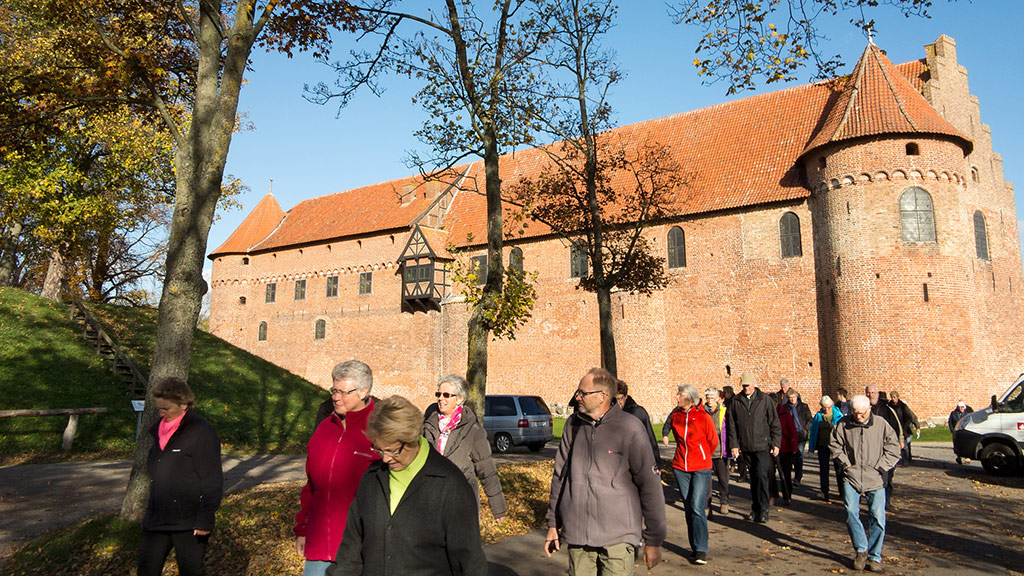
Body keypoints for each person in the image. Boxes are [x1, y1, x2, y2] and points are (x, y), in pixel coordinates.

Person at [329, 395, 487, 576]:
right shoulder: (372, 478)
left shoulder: (449, 484)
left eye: (393, 450)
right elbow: (351, 550)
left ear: (412, 438)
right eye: (379, 449)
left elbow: (470, 562)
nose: (385, 459)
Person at [545, 367, 666, 575]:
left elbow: (650, 485)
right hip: (579, 536)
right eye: (578, 392)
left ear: (603, 396)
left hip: (618, 536)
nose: (577, 397)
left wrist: (654, 539)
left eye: (583, 393)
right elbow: (560, 477)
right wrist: (553, 524)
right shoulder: (573, 426)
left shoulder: (630, 428)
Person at [294, 361, 378, 576]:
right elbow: (311, 486)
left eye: (343, 392)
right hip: (319, 546)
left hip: (362, 550)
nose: (336, 397)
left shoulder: (380, 430)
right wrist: (302, 529)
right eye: (334, 390)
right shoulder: (324, 429)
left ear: (363, 392)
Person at [139, 377, 223, 576]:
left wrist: (205, 518)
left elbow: (212, 479)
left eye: (166, 408)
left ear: (184, 404)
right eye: (159, 408)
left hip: (189, 522)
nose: (161, 413)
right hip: (157, 519)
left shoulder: (200, 432)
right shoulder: (157, 431)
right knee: (146, 570)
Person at [830, 394, 901, 572]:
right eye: (855, 413)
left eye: (862, 413)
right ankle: (861, 549)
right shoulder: (843, 424)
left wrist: (882, 467)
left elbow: (893, 448)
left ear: (869, 409)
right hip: (851, 475)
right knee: (850, 512)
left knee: (877, 517)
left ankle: (875, 556)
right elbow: (834, 444)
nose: (859, 416)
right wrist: (845, 464)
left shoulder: (881, 425)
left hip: (875, 477)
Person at [422, 374, 507, 522]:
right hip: (431, 501)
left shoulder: (473, 431)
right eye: (438, 394)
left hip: (461, 503)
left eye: (446, 395)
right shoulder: (428, 424)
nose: (440, 398)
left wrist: (498, 508)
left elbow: (487, 469)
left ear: (460, 399)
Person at [666, 385, 718, 565]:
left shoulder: (703, 416)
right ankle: (695, 547)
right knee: (689, 507)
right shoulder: (676, 416)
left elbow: (713, 440)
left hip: (700, 467)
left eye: (679, 394)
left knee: (697, 506)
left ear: (689, 397)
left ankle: (702, 548)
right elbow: (676, 437)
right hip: (681, 467)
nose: (677, 397)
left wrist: (702, 455)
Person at [726, 372, 781, 523]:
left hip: (762, 444)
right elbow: (732, 425)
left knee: (762, 476)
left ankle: (764, 509)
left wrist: (776, 443)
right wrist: (734, 445)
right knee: (754, 479)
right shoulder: (736, 401)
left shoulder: (765, 400)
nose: (746, 388)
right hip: (746, 445)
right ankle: (755, 507)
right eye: (744, 386)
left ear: (754, 384)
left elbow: (774, 422)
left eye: (748, 385)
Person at [866, 385, 903, 510]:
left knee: (887, 475)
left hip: (884, 448)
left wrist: (898, 442)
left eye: (873, 392)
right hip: (869, 449)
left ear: (877, 394)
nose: (871, 395)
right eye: (868, 393)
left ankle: (886, 501)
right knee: (870, 477)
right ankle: (873, 503)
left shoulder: (886, 410)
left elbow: (895, 427)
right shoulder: (863, 409)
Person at [616, 379, 662, 469]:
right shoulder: (609, 414)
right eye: (615, 399)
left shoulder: (638, 413)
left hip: (637, 462)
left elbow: (650, 438)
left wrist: (657, 464)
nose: (618, 403)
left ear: (626, 396)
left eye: (620, 398)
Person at [808, 395, 844, 502]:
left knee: (839, 469)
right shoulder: (818, 416)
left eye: (828, 407)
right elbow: (813, 431)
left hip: (836, 446)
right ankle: (824, 491)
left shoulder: (838, 415)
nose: (826, 409)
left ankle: (842, 492)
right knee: (824, 469)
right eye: (824, 407)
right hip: (822, 445)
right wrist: (812, 446)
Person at [702, 387, 729, 517]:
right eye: (708, 398)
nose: (710, 400)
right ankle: (707, 505)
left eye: (712, 398)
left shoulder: (724, 411)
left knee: (723, 479)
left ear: (717, 398)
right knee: (706, 481)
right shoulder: (702, 412)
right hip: (706, 451)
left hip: (720, 450)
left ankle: (724, 501)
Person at [783, 388, 812, 485]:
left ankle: (798, 476)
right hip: (789, 435)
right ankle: (791, 475)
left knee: (799, 456)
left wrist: (805, 429)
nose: (792, 399)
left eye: (794, 397)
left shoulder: (803, 407)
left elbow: (809, 419)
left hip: (800, 434)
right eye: (790, 398)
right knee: (791, 457)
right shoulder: (785, 408)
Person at [887, 391, 919, 464]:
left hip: (904, 427)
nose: (893, 399)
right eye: (892, 397)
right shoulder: (889, 406)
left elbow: (910, 417)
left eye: (894, 397)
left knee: (905, 444)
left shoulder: (903, 406)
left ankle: (906, 460)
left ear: (897, 397)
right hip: (894, 427)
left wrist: (916, 426)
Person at [776, 399, 798, 505]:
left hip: (785, 448)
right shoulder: (766, 413)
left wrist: (793, 447)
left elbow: (792, 430)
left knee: (785, 473)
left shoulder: (785, 414)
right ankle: (772, 494)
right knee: (769, 473)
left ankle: (787, 495)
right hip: (771, 447)